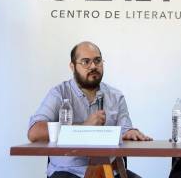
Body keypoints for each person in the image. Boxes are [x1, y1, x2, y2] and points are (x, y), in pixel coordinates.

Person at [28, 41, 152, 178]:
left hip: (109, 171)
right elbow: (34, 132)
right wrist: (83, 127)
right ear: (72, 66)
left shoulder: (116, 96)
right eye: (86, 62)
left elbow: (125, 131)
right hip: (68, 171)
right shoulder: (59, 93)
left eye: (97, 61)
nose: (93, 66)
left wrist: (131, 133)